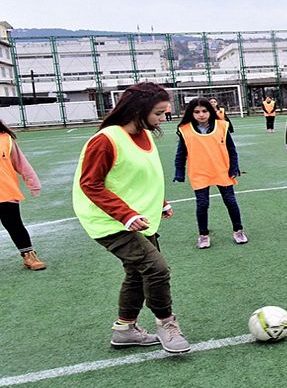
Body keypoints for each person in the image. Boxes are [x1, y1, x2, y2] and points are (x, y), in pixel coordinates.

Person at [72, 82, 190, 354]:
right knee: (156, 269)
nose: (164, 118)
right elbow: (90, 184)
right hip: (108, 221)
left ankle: (125, 330)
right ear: (140, 110)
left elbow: (136, 175)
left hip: (137, 219)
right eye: (159, 113)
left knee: (137, 273)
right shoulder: (106, 139)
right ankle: (166, 324)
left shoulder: (144, 134)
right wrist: (126, 215)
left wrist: (159, 203)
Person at [174, 98, 246, 249]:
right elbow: (180, 154)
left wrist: (234, 168)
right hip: (199, 172)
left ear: (210, 111)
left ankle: (238, 230)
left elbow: (232, 151)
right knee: (202, 204)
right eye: (197, 112)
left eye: (204, 111)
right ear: (191, 113)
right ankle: (203, 235)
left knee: (230, 201)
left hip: (222, 171)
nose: (201, 115)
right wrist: (179, 172)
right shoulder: (185, 130)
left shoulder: (222, 126)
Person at [0, 120, 45, 270]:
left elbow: (21, 163)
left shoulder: (6, 139)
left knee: (15, 225)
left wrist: (33, 183)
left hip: (6, 192)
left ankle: (29, 256)